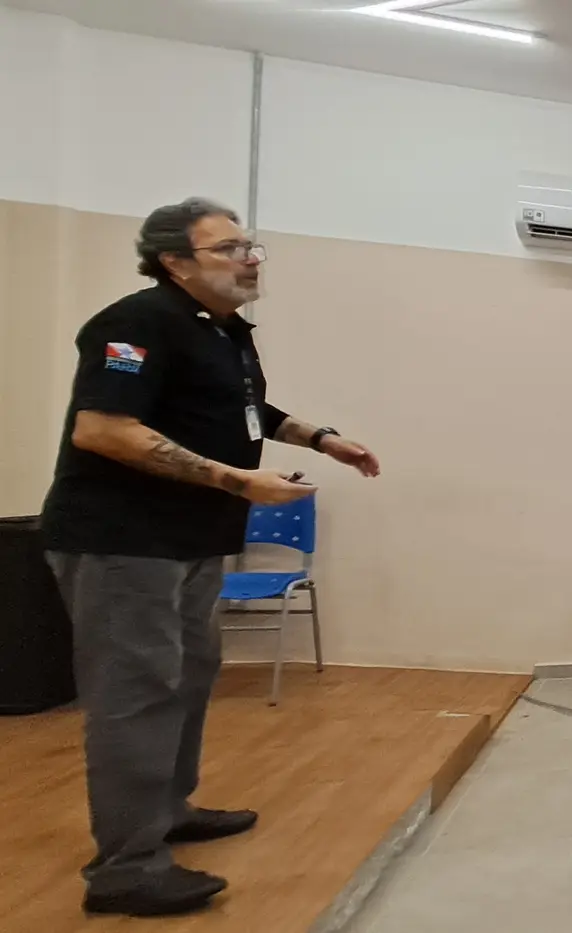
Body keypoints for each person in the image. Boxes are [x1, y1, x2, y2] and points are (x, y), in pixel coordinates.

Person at [40, 199, 381, 916]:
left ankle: (167, 810)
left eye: (250, 245)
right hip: (123, 540)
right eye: (228, 248)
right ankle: (125, 870)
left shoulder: (223, 331)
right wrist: (239, 481)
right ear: (174, 261)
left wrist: (323, 439)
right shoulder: (135, 323)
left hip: (194, 537)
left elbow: (246, 411)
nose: (249, 258)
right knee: (136, 695)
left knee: (190, 677)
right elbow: (104, 430)